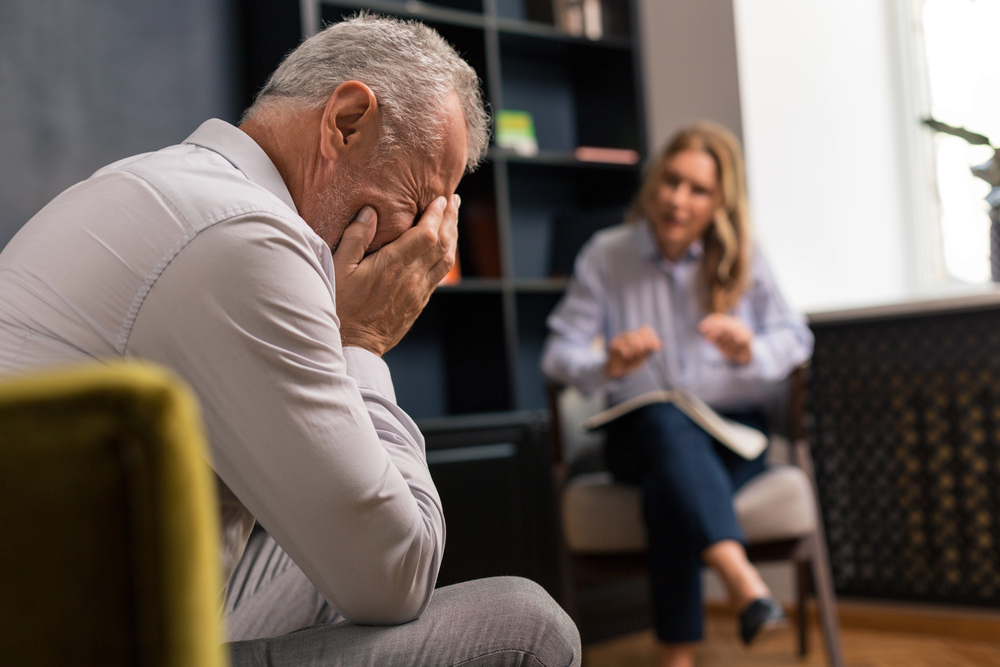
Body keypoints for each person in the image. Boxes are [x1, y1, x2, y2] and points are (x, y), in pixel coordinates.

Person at [0, 14, 580, 667]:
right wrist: (360, 341)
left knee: (318, 529)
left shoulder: (167, 187)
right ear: (346, 121)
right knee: (531, 625)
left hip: (86, 606)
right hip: (81, 641)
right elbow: (398, 575)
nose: (427, 251)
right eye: (420, 206)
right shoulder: (246, 236)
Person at [540, 122, 813, 667]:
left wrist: (749, 350)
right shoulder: (607, 254)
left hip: (731, 437)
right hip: (634, 436)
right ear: (653, 183)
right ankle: (742, 579)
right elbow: (557, 353)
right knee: (665, 422)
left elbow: (796, 339)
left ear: (719, 202)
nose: (677, 200)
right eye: (671, 181)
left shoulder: (745, 258)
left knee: (671, 486)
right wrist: (606, 361)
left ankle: (677, 656)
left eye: (698, 190)